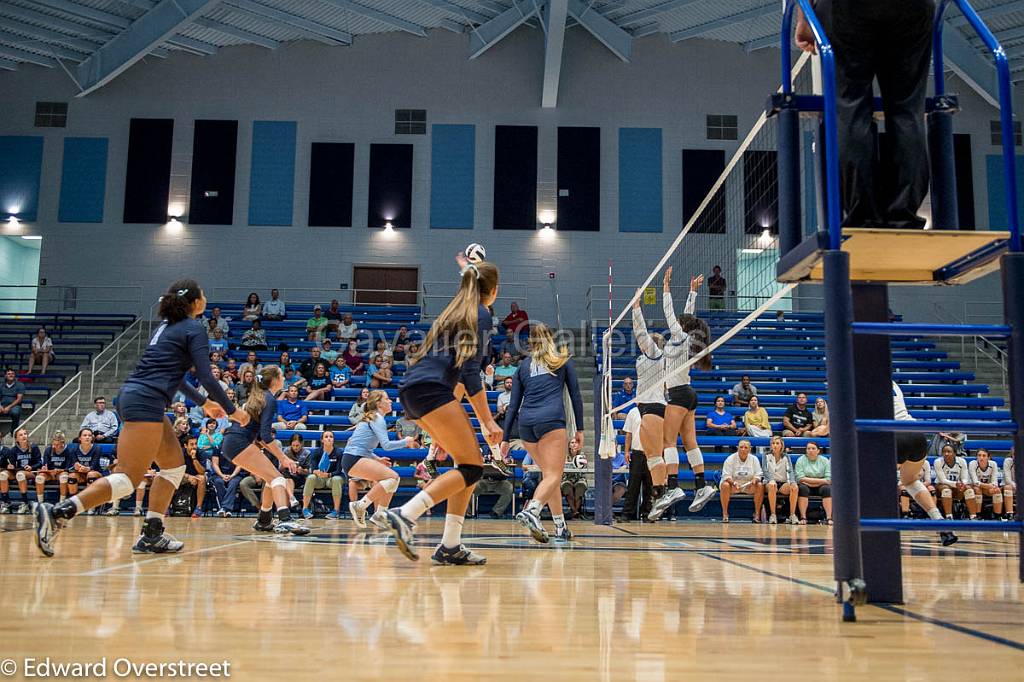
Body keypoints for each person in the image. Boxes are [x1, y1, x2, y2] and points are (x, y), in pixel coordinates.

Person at [33, 279, 249, 558]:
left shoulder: (166, 327)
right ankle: (60, 511)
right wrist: (233, 411)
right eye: (203, 295)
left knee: (173, 466)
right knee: (127, 478)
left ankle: (152, 533)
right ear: (196, 302)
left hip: (142, 399)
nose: (206, 298)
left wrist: (204, 402)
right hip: (145, 401)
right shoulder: (194, 327)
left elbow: (179, 377)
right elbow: (206, 376)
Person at [383, 252, 501, 566]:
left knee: (466, 466)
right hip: (432, 391)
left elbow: (459, 374)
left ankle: (450, 545)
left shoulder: (452, 312)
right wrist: (488, 422)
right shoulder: (482, 314)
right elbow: (470, 372)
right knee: (473, 468)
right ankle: (405, 513)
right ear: (493, 290)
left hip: (414, 391)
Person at [795, 0, 933, 228]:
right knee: (907, 109)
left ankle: (863, 213)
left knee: (850, 107)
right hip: (912, 9)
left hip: (846, 10)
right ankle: (903, 212)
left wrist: (803, 19)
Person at [500, 322, 585, 543]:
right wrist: (581, 429)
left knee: (550, 476)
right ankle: (533, 511)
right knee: (555, 475)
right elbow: (575, 396)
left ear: (530, 341)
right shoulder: (561, 360)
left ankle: (560, 527)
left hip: (527, 425)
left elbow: (512, 406)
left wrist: (505, 438)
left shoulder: (523, 367)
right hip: (551, 421)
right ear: (552, 338)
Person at [652, 267, 716, 520]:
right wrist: (692, 291)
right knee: (690, 443)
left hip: (677, 395)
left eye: (678, 323)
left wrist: (665, 287)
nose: (675, 324)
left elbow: (672, 314)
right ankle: (701, 486)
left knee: (668, 442)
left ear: (681, 327)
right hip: (690, 394)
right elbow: (689, 318)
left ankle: (673, 486)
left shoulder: (679, 337)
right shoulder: (689, 338)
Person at [217, 365, 308, 535]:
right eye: (281, 375)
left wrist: (280, 457)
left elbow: (259, 437)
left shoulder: (260, 396)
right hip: (239, 442)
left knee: (269, 478)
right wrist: (283, 458)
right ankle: (285, 520)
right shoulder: (269, 399)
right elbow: (266, 435)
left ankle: (264, 520)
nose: (283, 379)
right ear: (274, 380)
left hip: (234, 442)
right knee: (278, 478)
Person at [892, 381, 957, 544]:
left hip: (894, 434)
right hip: (916, 434)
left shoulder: (863, 380)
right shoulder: (892, 383)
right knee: (910, 480)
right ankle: (941, 523)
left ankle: (878, 527)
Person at [343, 391, 415, 530]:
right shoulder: (377, 418)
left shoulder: (374, 418)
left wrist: (377, 459)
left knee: (394, 481)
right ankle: (360, 505)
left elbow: (361, 446)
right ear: (378, 403)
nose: (390, 401)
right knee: (393, 478)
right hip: (354, 458)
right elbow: (386, 445)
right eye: (387, 399)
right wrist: (405, 441)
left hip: (354, 457)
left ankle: (380, 515)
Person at [301, 431, 345, 520]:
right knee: (311, 477)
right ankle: (305, 509)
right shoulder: (316, 452)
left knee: (336, 479)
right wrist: (316, 472)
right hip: (320, 479)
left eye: (331, 437)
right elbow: (313, 469)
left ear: (333, 440)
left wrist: (328, 474)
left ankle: (336, 510)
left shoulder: (339, 452)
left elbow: (338, 470)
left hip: (332, 479)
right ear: (322, 440)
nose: (329, 438)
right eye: (326, 437)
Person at [619, 406, 653, 522]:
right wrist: (627, 451)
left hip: (651, 453)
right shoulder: (633, 412)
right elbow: (628, 434)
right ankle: (627, 513)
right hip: (637, 453)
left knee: (649, 485)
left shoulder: (654, 410)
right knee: (633, 485)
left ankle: (647, 513)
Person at [719, 440, 764, 523]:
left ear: (750, 449)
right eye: (741, 447)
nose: (743, 449)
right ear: (737, 448)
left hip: (748, 485)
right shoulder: (730, 459)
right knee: (725, 485)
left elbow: (759, 474)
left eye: (745, 447)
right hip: (733, 485)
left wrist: (755, 479)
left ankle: (757, 514)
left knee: (760, 485)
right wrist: (733, 483)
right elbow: (726, 475)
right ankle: (725, 514)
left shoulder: (754, 459)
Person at [0, 428, 42, 514]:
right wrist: (9, 466)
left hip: (31, 473)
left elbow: (40, 462)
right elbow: (12, 465)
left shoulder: (34, 447)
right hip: (17, 472)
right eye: (21, 435)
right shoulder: (13, 450)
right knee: (3, 475)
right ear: (16, 439)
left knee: (20, 474)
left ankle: (25, 503)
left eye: (25, 434)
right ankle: (6, 503)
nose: (23, 436)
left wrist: (31, 466)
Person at [762, 435, 799, 524]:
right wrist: (771, 479)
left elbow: (790, 470)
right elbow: (765, 470)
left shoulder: (786, 456)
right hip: (770, 483)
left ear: (781, 445)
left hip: (782, 483)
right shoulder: (766, 455)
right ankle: (773, 515)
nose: (775, 445)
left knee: (795, 487)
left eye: (777, 443)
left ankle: (792, 515)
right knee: (772, 486)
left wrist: (793, 482)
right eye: (773, 443)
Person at [795, 442, 832, 525]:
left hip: (820, 486)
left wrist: (810, 481)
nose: (810, 450)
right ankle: (803, 517)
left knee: (827, 488)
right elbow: (800, 478)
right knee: (802, 488)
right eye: (808, 449)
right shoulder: (801, 460)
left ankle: (829, 517)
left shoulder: (824, 460)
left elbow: (828, 479)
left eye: (813, 448)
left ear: (818, 451)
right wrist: (820, 480)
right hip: (806, 486)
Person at [934, 443, 973, 520]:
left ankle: (973, 516)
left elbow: (965, 478)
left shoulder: (962, 461)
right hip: (941, 485)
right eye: (944, 452)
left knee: (969, 489)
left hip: (957, 487)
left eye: (949, 451)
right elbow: (943, 480)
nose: (946, 454)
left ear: (955, 453)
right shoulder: (938, 461)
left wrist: (963, 484)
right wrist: (956, 484)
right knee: (946, 489)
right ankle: (949, 516)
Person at [210, 441, 243, 517]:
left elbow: (239, 465)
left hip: (234, 474)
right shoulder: (217, 448)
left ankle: (224, 508)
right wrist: (222, 475)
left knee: (233, 483)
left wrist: (232, 475)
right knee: (219, 482)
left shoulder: (238, 448)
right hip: (219, 474)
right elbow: (215, 464)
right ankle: (227, 509)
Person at [40, 431, 74, 506]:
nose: (54, 446)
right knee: (39, 477)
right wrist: (45, 468)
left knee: (64, 476)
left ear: (63, 443)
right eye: (53, 444)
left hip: (62, 473)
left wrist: (59, 470)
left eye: (57, 445)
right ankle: (40, 502)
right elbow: (45, 464)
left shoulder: (69, 450)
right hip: (50, 473)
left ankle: (62, 502)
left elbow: (69, 468)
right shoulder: (48, 450)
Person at [969, 449, 1002, 519]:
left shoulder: (993, 464)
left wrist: (992, 487)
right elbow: (975, 482)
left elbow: (994, 482)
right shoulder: (972, 463)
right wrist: (989, 486)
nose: (981, 458)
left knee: (997, 490)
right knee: (977, 489)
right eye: (979, 455)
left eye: (984, 456)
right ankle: (978, 515)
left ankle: (997, 516)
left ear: (988, 457)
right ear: (976, 457)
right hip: (974, 487)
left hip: (987, 488)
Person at [560, 440, 589, 521]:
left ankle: (575, 512)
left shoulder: (582, 456)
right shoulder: (565, 456)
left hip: (580, 478)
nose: (574, 444)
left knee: (580, 486)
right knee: (567, 486)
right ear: (569, 446)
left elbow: (585, 469)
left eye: (576, 443)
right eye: (572, 443)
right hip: (567, 478)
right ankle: (575, 511)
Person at [179, 436, 207, 519]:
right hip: (182, 475)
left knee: (202, 478)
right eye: (191, 444)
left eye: (195, 444)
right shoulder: (179, 453)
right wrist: (188, 476)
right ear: (185, 445)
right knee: (171, 477)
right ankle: (167, 507)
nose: (194, 446)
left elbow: (202, 472)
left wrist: (194, 458)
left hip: (196, 476)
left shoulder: (201, 453)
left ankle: (198, 508)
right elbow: (175, 470)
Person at [1, 368, 26, 439]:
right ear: (5, 376)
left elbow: (19, 399)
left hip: (14, 405)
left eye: (12, 374)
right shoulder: (1, 385)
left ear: (15, 375)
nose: (11, 375)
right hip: (2, 405)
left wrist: (9, 407)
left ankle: (13, 431)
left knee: (15, 412)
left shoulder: (20, 385)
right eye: (9, 374)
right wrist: (0, 406)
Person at [1003, 448, 1016, 521]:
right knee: (1008, 487)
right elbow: (1008, 480)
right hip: (1008, 486)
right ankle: (1010, 514)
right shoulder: (1008, 461)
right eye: (1014, 454)